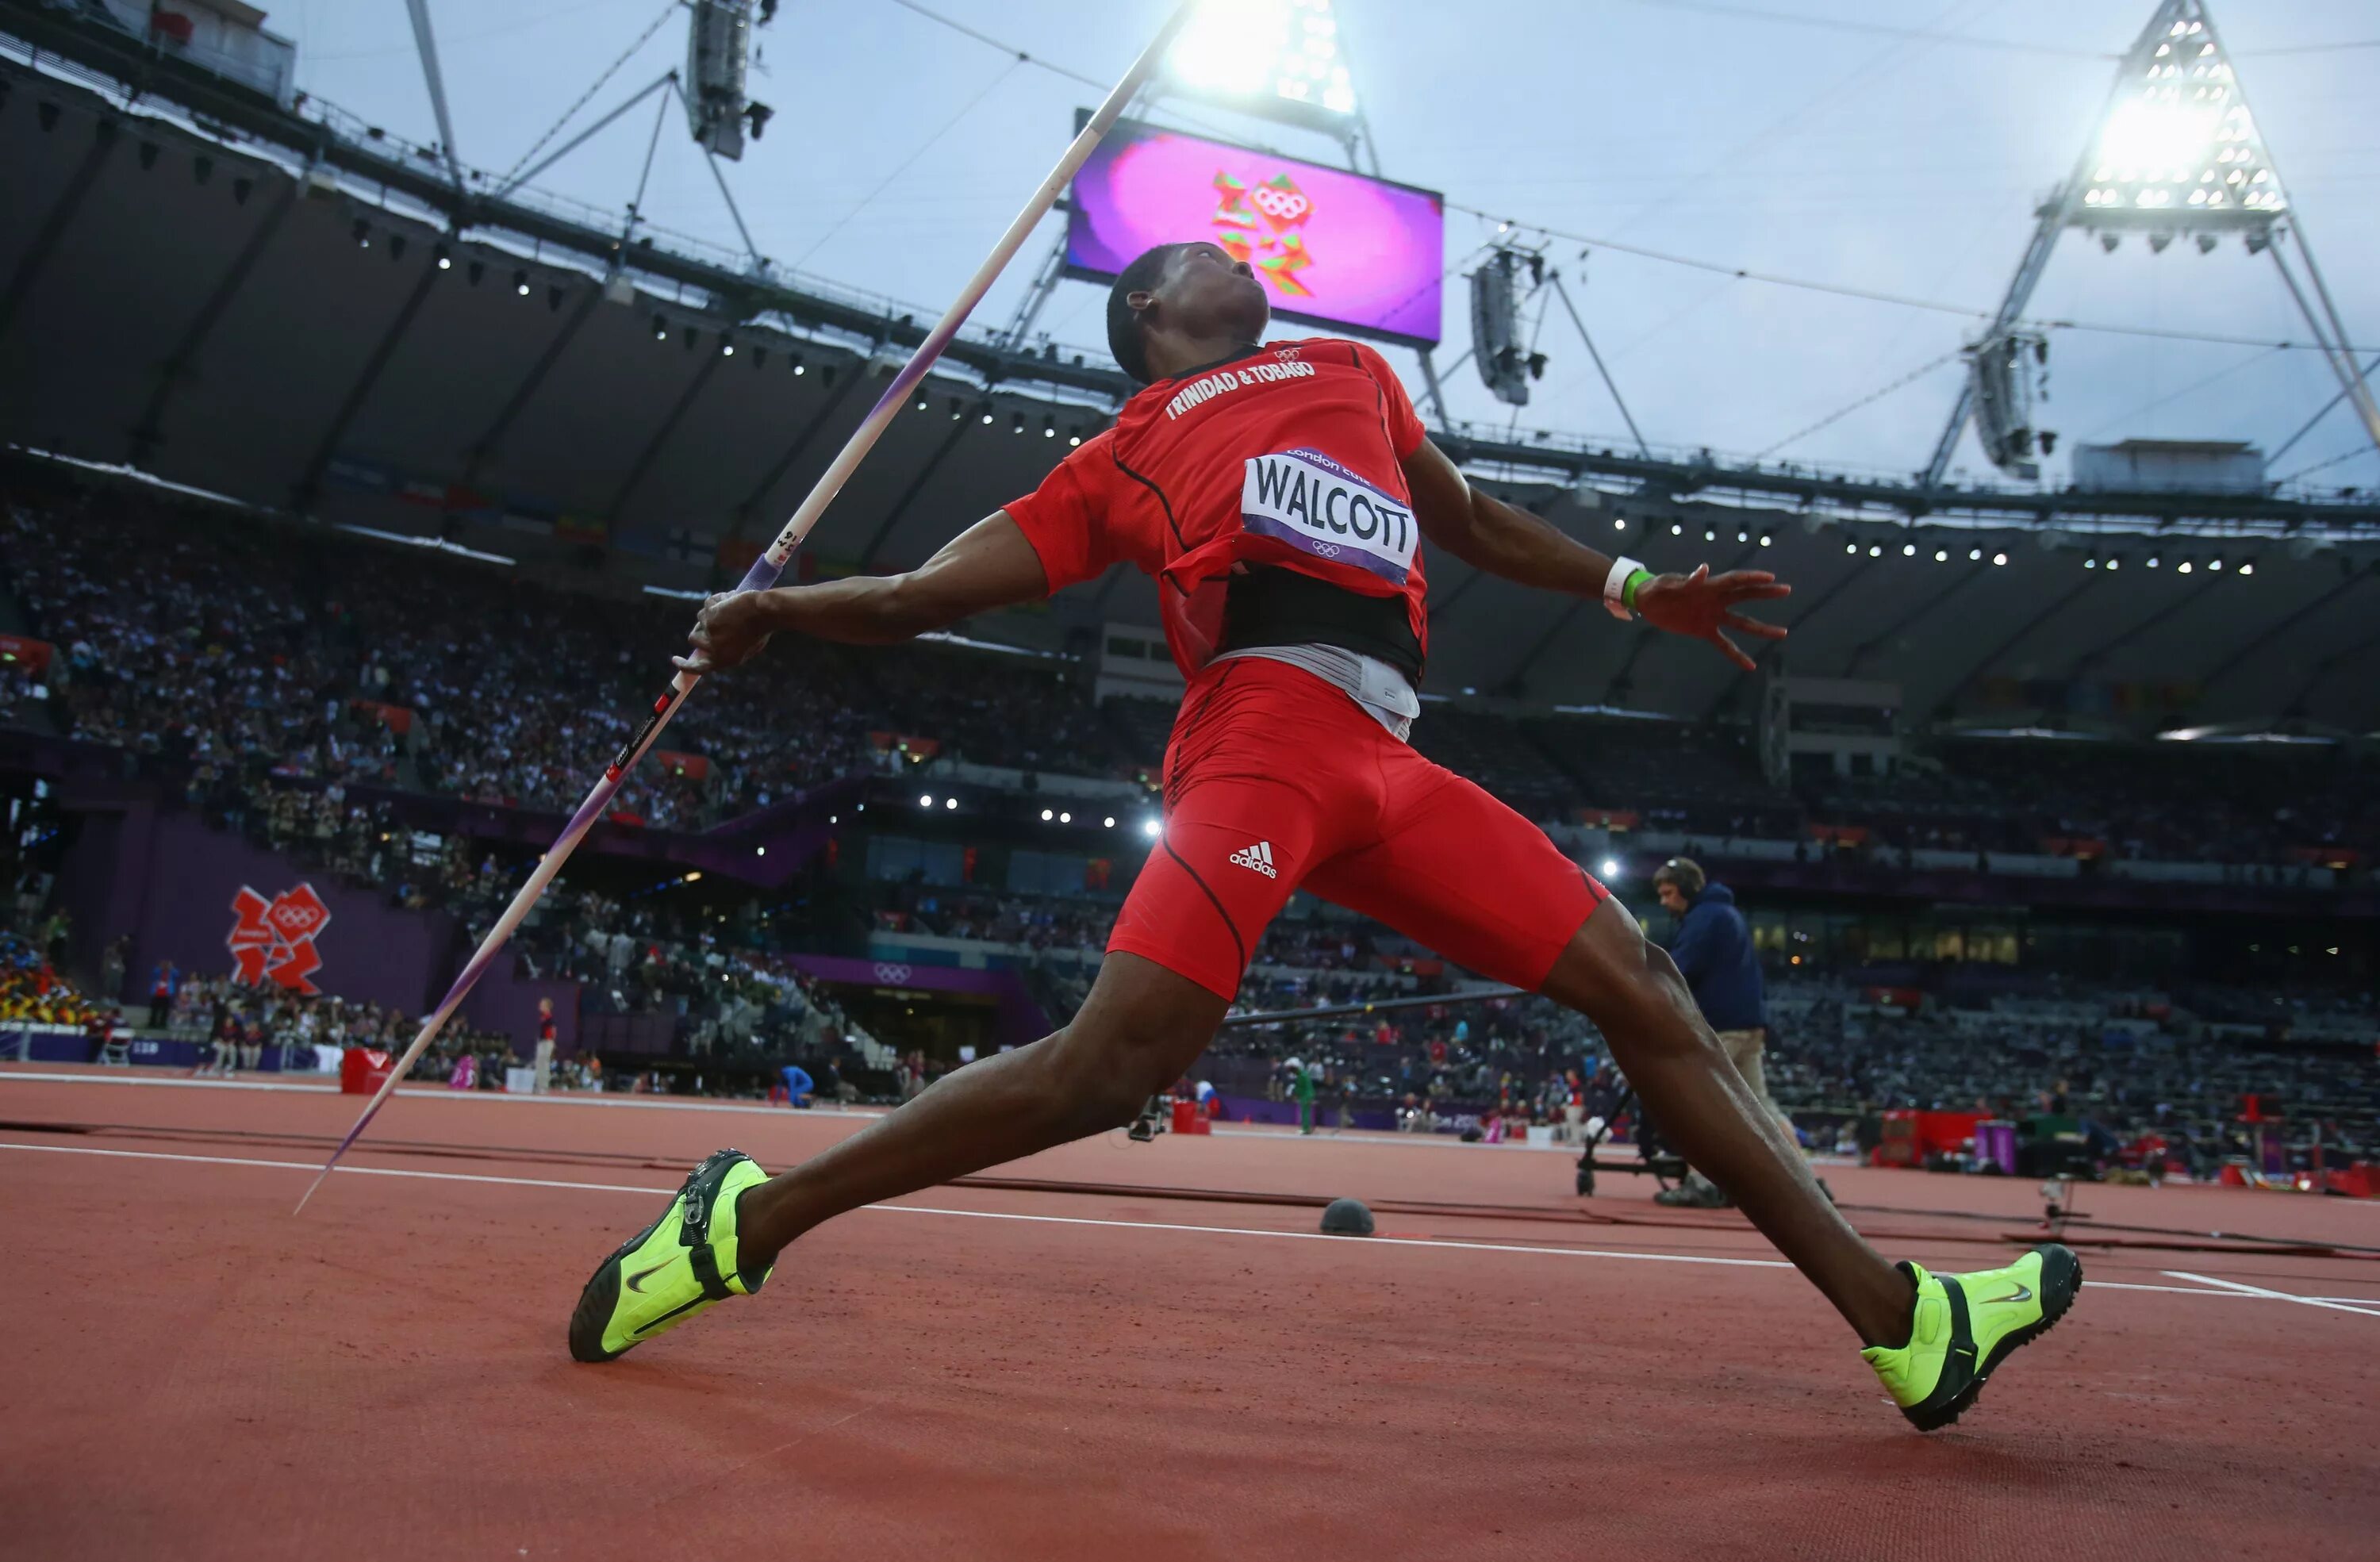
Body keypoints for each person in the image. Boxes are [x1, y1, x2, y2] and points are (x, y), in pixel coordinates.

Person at [566, 240, 2079, 1430]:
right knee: (1111, 1068)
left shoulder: (1352, 370)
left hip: (1390, 758)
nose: (1237, 249)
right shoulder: (1129, 446)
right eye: (1204, 248)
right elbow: (919, 594)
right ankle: (741, 1221)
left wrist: (1634, 589)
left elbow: (1473, 521)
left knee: (1645, 990)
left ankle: (1909, 1327)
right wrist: (775, 608)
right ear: (1153, 309)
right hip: (1263, 741)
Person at [1650, 857, 1783, 1208]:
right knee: (1762, 1107)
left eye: (1668, 893)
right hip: (1749, 1024)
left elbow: (1677, 971)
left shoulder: (1704, 918)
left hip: (1721, 1027)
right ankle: (1810, 1184)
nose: (1664, 902)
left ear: (1689, 888)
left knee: (1702, 1105)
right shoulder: (1728, 914)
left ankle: (1702, 1183)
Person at [532, 997, 557, 1096]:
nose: (540, 1006)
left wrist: (552, 1042)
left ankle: (544, 1086)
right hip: (542, 1042)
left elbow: (553, 1030)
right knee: (539, 1064)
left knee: (544, 1064)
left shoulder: (550, 1017)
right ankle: (539, 1085)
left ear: (547, 1006)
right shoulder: (543, 1017)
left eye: (542, 1004)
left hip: (547, 1042)